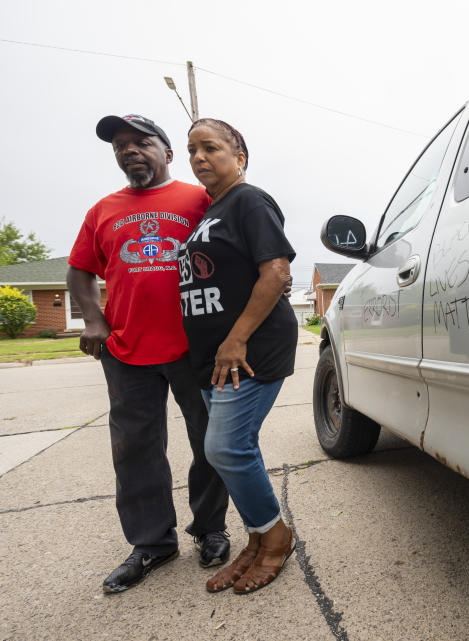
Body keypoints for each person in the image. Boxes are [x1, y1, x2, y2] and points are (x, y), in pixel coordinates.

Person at [68, 114, 231, 594]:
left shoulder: (200, 199)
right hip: (126, 350)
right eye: (121, 145)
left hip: (194, 347)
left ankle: (210, 529)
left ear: (168, 152)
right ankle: (151, 544)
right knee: (136, 451)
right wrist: (94, 321)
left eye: (142, 142)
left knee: (209, 442)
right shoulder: (102, 210)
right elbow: (79, 271)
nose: (130, 150)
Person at [178, 118, 298, 594]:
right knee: (233, 451)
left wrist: (236, 338)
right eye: (192, 150)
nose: (199, 157)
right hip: (213, 356)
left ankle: (275, 537)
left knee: (225, 448)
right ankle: (256, 538)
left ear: (240, 157)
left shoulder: (248, 200)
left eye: (210, 147)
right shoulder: (210, 212)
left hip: (250, 349)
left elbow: (276, 271)